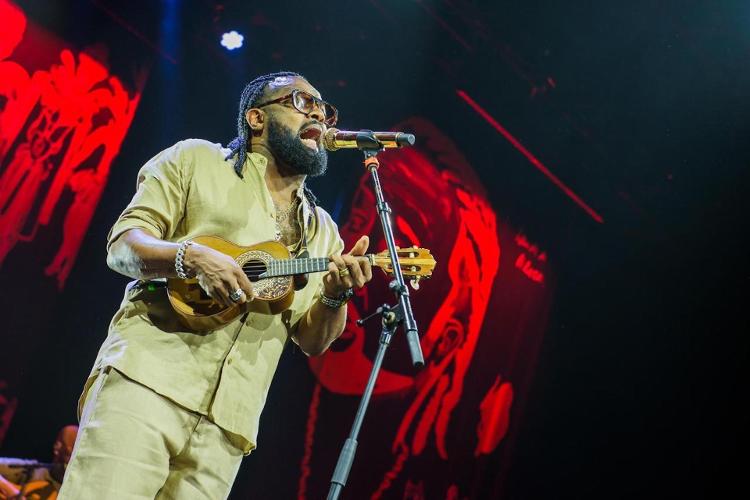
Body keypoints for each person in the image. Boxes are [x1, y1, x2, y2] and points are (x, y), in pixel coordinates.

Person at [57, 72, 373, 499]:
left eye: (325, 109)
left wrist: (336, 294)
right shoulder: (197, 160)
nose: (319, 111)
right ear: (257, 118)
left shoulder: (325, 234)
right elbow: (123, 243)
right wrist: (190, 257)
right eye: (302, 101)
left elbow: (314, 340)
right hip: (147, 383)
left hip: (228, 428)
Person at [0, 424, 78, 500]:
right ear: (57, 448)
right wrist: (12, 492)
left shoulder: (77, 493)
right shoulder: (33, 469)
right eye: (70, 450)